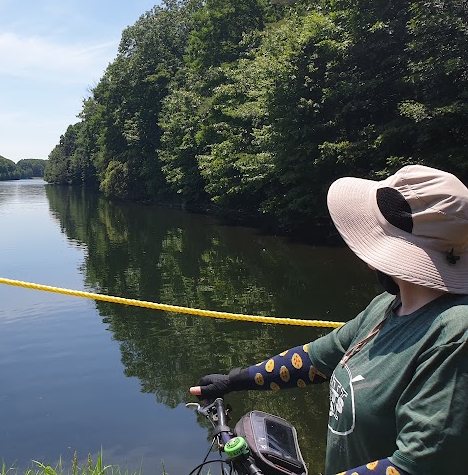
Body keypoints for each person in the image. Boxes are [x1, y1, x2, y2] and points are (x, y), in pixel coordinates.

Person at [189, 165, 468, 475]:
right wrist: (236, 380)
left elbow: (417, 466)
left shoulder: (455, 334)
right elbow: (313, 361)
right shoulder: (387, 307)